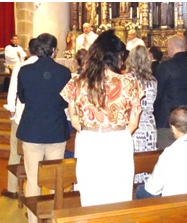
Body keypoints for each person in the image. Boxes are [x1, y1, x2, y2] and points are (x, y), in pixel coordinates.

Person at [60, 30, 143, 207]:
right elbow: (134, 122)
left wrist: (94, 133)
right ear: (117, 56)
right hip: (118, 140)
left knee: (90, 195)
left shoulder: (76, 82)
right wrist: (116, 135)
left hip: (88, 142)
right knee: (119, 194)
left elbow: (74, 121)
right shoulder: (129, 83)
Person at [17, 33, 71, 223]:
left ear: (37, 49)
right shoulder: (64, 72)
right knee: (55, 180)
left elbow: (22, 98)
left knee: (33, 180)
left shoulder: (25, 71)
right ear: (54, 50)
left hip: (32, 129)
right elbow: (66, 101)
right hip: (55, 130)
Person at [2, 38, 39, 201]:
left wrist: (11, 109)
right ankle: (35, 188)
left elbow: (13, 91)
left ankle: (12, 188)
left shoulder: (20, 66)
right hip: (38, 117)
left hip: (20, 116)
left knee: (15, 152)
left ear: (29, 50)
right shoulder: (47, 67)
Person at [154, 35, 187, 149]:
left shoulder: (165, 66)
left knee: (167, 156)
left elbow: (158, 94)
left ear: (171, 46)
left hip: (168, 120)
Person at [127, 45, 158, 152]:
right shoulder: (153, 81)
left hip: (132, 125)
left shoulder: (126, 80)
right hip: (149, 126)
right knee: (147, 163)